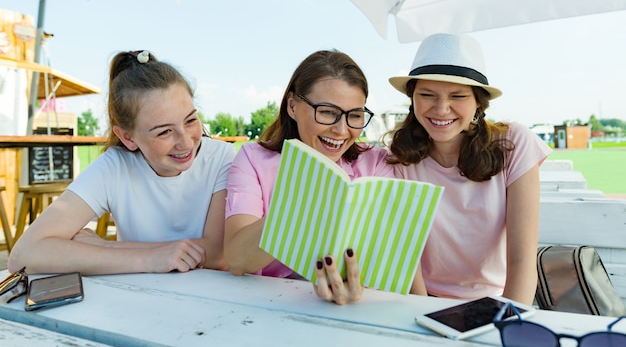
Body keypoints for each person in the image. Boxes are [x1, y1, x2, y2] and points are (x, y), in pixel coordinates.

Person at [8, 50, 235, 275]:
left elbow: (218, 254)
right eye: (165, 132)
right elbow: (23, 255)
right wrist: (150, 258)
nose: (185, 142)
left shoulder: (221, 158)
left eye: (190, 120)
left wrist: (108, 247)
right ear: (128, 137)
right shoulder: (115, 167)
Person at [387, 33, 552, 304]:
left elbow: (522, 259)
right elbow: (408, 257)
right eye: (427, 94)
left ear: (478, 102)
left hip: (498, 299)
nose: (441, 109)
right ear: (412, 99)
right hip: (425, 299)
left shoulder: (514, 143)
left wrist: (506, 323)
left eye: (458, 96)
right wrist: (422, 312)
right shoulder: (399, 157)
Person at [224, 50, 393, 305]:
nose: (341, 130)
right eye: (327, 112)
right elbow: (237, 259)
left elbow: (383, 260)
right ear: (292, 106)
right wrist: (308, 196)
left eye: (355, 115)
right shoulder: (253, 159)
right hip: (268, 307)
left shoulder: (375, 163)